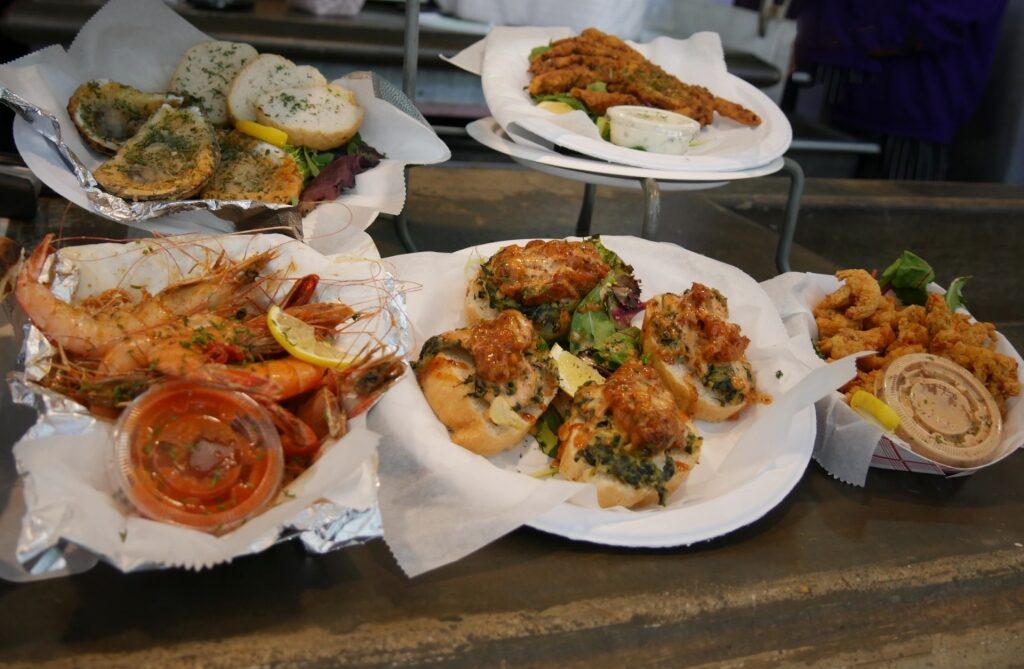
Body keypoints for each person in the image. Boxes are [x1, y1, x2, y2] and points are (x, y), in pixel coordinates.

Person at [792, 0, 1008, 180]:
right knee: (818, 212)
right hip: (845, 105)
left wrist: (824, 38)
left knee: (891, 220)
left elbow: (928, 25)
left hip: (913, 121)